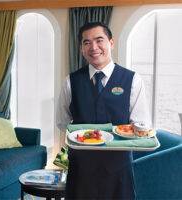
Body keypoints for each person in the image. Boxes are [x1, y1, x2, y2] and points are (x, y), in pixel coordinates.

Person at [56, 22, 151, 199]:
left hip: (118, 168)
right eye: (86, 42)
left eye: (99, 40)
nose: (93, 47)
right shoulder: (71, 81)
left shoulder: (132, 80)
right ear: (81, 49)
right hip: (81, 166)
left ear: (111, 43)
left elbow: (141, 123)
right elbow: (62, 122)